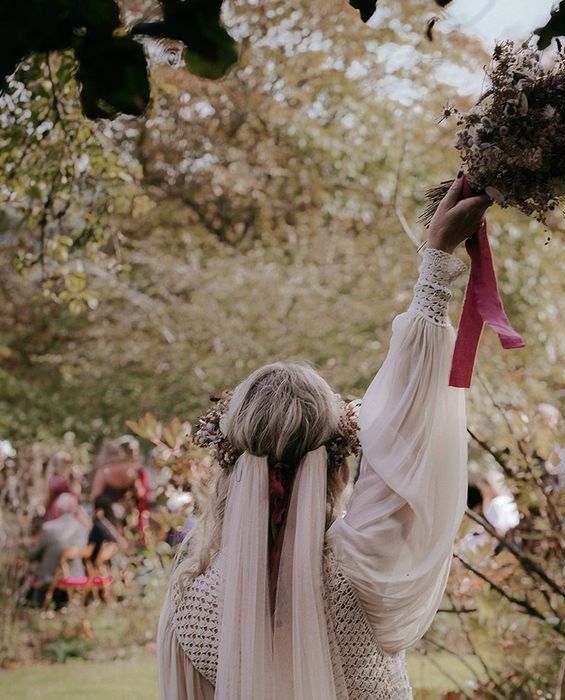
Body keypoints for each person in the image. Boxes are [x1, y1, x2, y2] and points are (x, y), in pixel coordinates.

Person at [156, 174, 490, 699]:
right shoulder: (361, 566)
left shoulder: (190, 601)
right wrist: (437, 260)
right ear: (338, 454)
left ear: (231, 456)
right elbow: (410, 418)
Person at [28, 492, 90, 607]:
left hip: (51, 577)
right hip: (77, 575)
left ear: (59, 509)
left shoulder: (49, 528)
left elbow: (34, 555)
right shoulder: (82, 528)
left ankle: (29, 604)